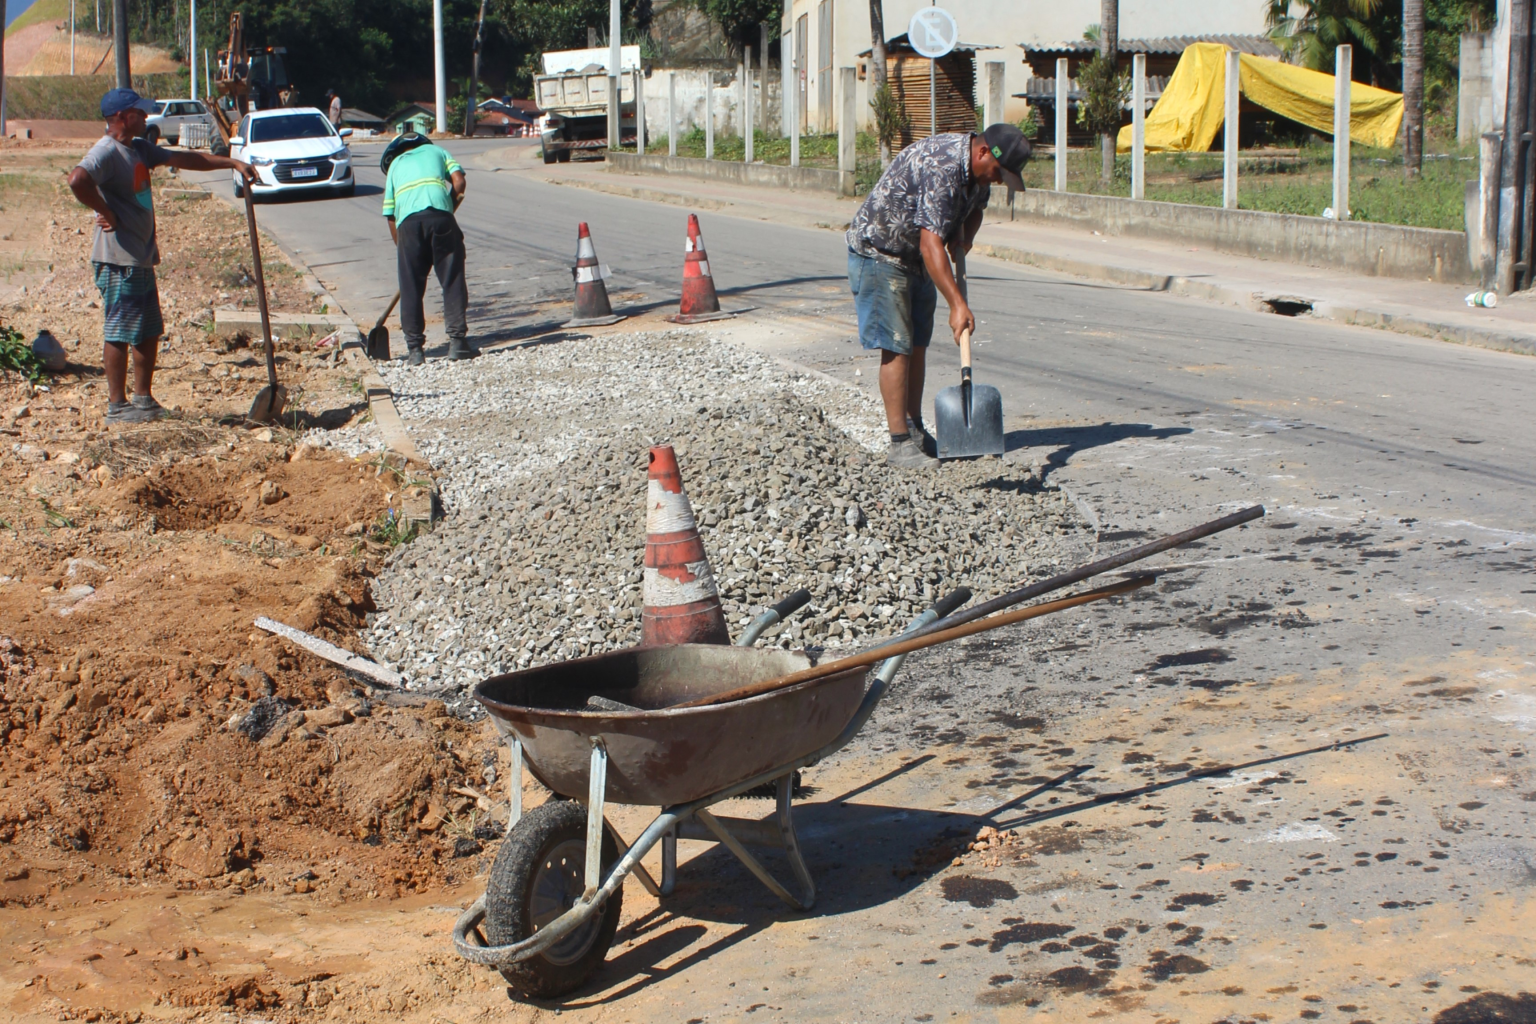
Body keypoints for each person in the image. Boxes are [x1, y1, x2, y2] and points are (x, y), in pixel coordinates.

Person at [845, 124, 1032, 469]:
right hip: (881, 254)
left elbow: (975, 210)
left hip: (915, 259)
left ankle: (914, 429)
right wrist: (957, 304)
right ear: (982, 153)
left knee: (917, 344)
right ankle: (899, 443)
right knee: (897, 345)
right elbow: (932, 243)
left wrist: (965, 239)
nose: (996, 180)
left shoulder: (978, 175)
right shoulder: (943, 167)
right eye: (997, 173)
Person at [66, 88, 257, 424]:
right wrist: (106, 211)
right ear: (124, 117)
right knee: (120, 330)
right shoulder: (107, 151)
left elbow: (184, 159)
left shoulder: (138, 148)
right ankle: (117, 406)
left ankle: (143, 400)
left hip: (138, 255)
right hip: (117, 257)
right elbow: (78, 179)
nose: (146, 117)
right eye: (140, 113)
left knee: (148, 329)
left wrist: (232, 162)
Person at [382, 133, 474, 364]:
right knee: (452, 278)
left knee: (410, 285)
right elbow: (459, 182)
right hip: (441, 218)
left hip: (408, 226)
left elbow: (391, 215)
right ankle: (457, 343)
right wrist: (446, 209)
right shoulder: (438, 151)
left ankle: (415, 351)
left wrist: (402, 249)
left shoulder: (394, 165)